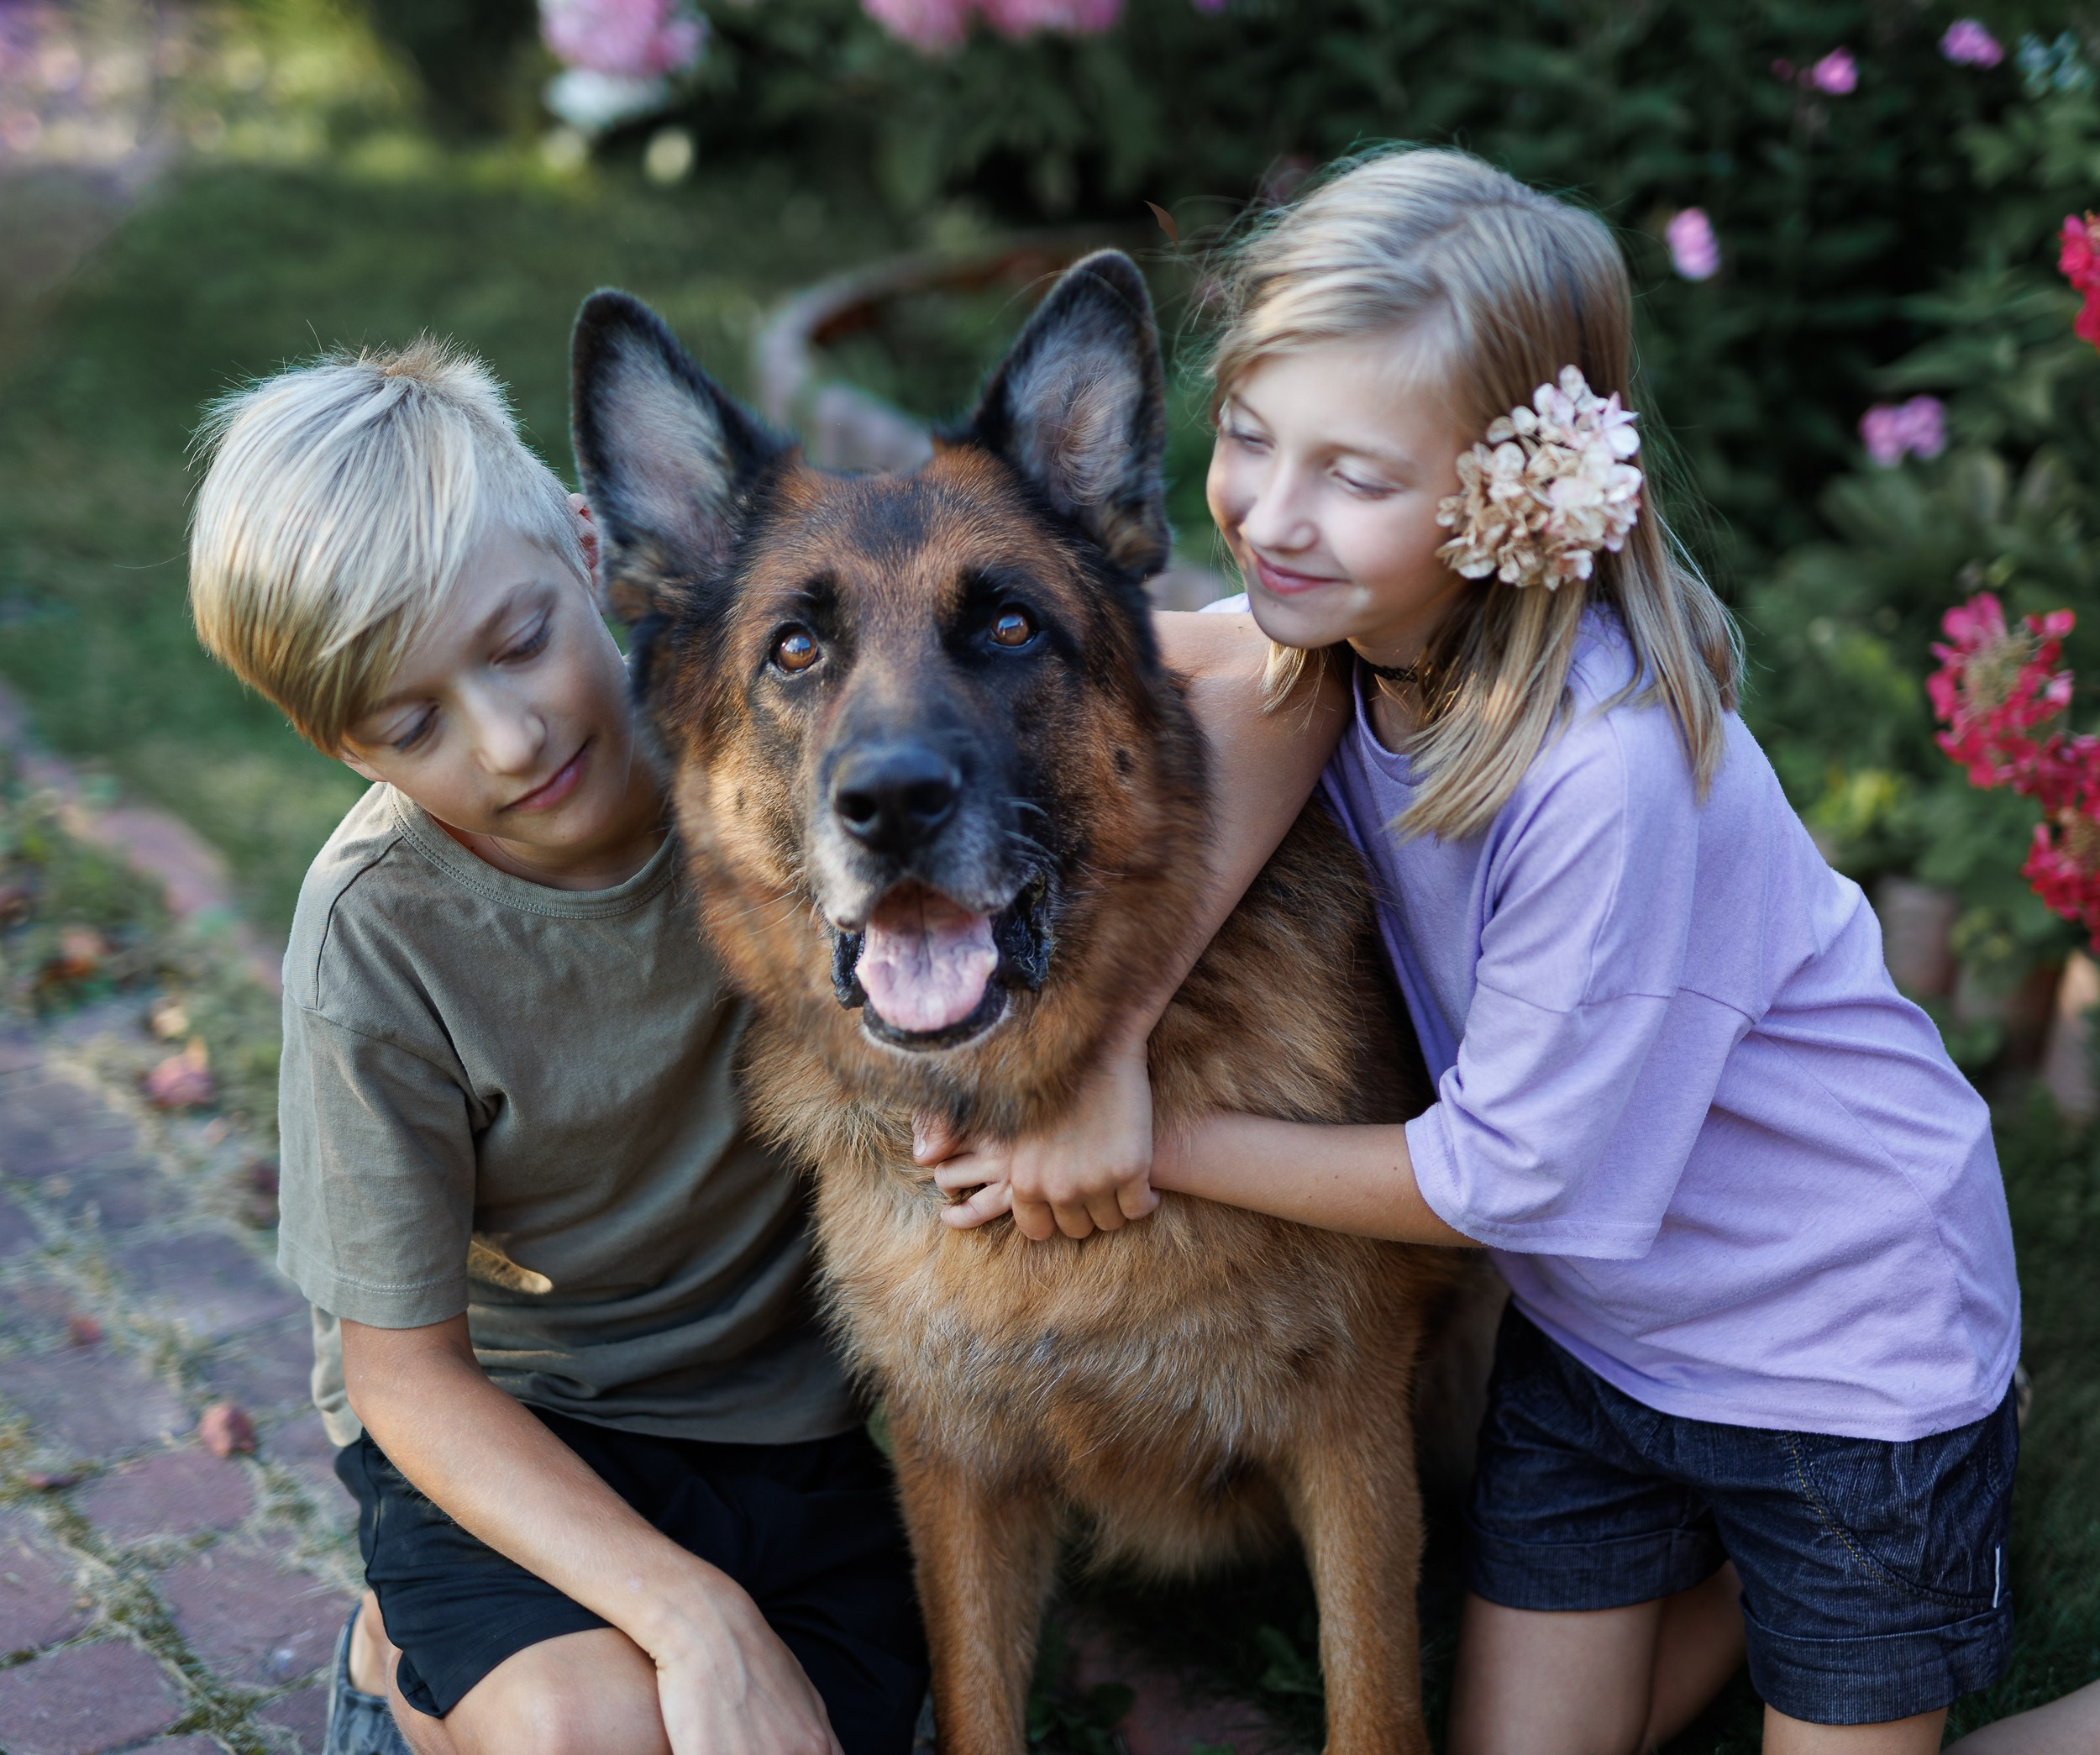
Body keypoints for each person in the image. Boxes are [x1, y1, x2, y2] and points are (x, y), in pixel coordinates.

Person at [928, 149, 2027, 1754]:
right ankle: (1758, 1592)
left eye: (1354, 476)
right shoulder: (1356, 629)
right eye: (1246, 436)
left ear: (1517, 494)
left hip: (1837, 1356)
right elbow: (1129, 650)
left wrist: (1154, 1131)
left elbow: (1511, 1179)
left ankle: (1889, 1603)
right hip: (1601, 1351)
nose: (1272, 517)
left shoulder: (1607, 771)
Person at [186, 339, 1330, 1755]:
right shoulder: (377, 934)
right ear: (338, 748)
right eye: (412, 720)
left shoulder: (797, 747)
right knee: (583, 1730)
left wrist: (1115, 1053)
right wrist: (692, 1616)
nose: (510, 737)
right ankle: (406, 1658)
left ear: (604, 552)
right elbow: (402, 1375)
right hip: (534, 1423)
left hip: (792, 1430)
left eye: (523, 640)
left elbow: (1286, 668)